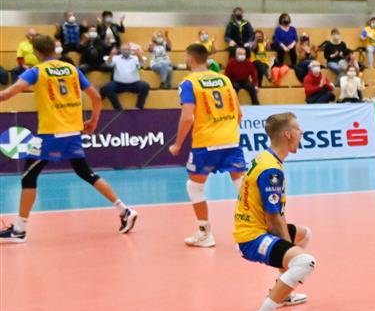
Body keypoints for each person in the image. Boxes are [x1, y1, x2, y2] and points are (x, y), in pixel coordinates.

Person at [0, 35, 139, 243]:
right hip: (73, 132)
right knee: (85, 172)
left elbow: (7, 94)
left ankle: (19, 230)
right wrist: (93, 121)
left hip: (51, 134)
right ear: (54, 50)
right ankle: (124, 210)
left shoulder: (36, 71)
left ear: (36, 53)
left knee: (28, 176)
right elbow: (96, 97)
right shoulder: (72, 70)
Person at [232, 113, 315, 311]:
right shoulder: (271, 170)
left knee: (304, 234)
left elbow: (275, 213)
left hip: (254, 226)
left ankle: (283, 293)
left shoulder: (266, 157)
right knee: (304, 262)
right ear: (287, 134)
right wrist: (288, 253)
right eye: (298, 129)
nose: (301, 133)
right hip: (253, 236)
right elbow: (273, 218)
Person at [167, 44, 246, 248]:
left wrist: (177, 144)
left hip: (206, 143)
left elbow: (187, 118)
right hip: (231, 140)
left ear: (190, 59)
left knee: (194, 187)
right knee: (242, 186)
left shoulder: (189, 83)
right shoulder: (224, 79)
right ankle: (253, 231)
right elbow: (239, 114)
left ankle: (205, 234)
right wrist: (227, 131)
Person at [101, 43, 150, 110]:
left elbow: (142, 64)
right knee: (108, 87)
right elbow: (109, 64)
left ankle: (139, 107)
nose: (126, 51)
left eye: (127, 49)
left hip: (134, 84)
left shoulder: (135, 58)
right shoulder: (116, 58)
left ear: (130, 50)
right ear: (120, 50)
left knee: (145, 86)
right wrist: (111, 54)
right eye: (124, 49)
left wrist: (139, 55)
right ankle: (118, 108)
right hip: (118, 84)